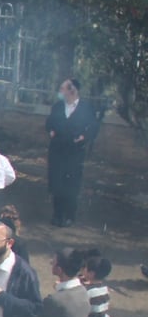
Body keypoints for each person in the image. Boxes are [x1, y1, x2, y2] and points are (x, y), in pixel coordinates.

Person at [46, 78, 100, 227]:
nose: (60, 92)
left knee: (71, 185)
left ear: (72, 90)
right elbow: (49, 122)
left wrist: (84, 137)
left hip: (75, 153)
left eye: (62, 89)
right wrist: (50, 131)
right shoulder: (57, 107)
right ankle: (57, 215)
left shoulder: (86, 108)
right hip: (57, 151)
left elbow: (94, 127)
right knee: (57, 183)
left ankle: (69, 215)